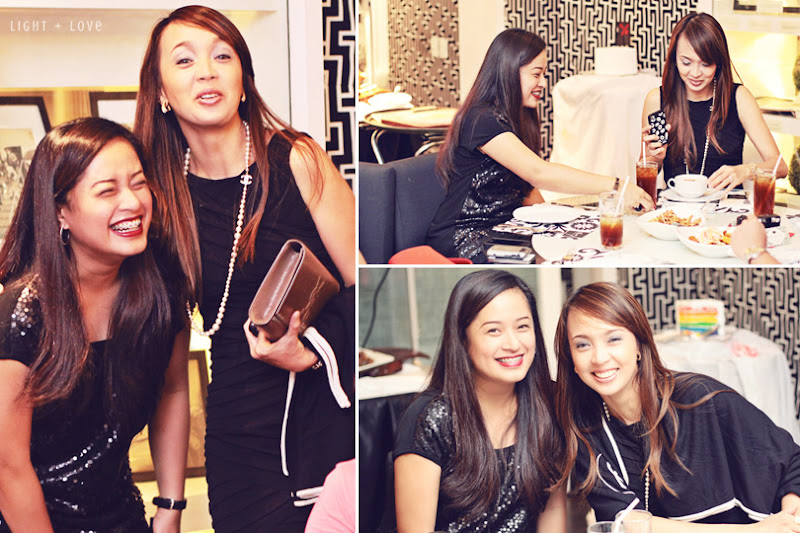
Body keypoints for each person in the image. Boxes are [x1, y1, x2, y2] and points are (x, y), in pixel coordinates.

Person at [134, 6, 356, 531]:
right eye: (184, 60)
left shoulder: (298, 160)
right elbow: (171, 375)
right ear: (161, 91)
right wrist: (169, 505)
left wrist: (311, 351)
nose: (206, 72)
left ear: (242, 80)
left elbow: (367, 284)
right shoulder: (163, 201)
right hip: (236, 433)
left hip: (322, 416)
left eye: (222, 56)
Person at [0, 117, 190, 533]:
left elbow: (173, 389)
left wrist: (170, 507)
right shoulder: (22, 313)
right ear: (60, 211)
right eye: (107, 191)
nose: (132, 203)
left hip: (120, 515)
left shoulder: (161, 291)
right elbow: (8, 468)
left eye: (138, 183)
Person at [554, 281, 800, 531]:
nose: (599, 357)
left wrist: (788, 519)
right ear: (571, 358)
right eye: (582, 344)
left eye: (613, 339)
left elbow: (792, 463)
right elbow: (627, 523)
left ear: (639, 345)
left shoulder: (700, 399)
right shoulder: (584, 428)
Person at [427, 28, 655, 263]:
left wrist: (551, 221)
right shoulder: (481, 119)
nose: (543, 83)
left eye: (544, 74)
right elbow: (538, 172)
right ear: (508, 71)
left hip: (508, 228)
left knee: (578, 247)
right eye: (536, 74)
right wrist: (617, 186)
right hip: (467, 238)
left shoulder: (516, 116)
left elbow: (527, 188)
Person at [393, 270, 566, 532]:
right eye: (493, 330)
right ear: (463, 340)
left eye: (522, 326)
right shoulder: (430, 418)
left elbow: (552, 510)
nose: (513, 344)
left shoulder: (550, 402)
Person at [641, 12, 787, 190]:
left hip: (726, 204)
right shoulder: (657, 99)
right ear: (674, 59)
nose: (695, 73)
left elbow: (780, 166)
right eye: (686, 63)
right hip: (676, 205)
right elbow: (646, 171)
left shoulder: (739, 98)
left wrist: (745, 170)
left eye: (705, 64)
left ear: (718, 62)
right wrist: (655, 157)